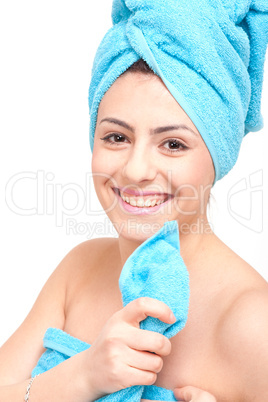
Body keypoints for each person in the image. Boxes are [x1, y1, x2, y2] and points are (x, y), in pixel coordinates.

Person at [0, 1, 267, 401]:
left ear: (217, 157)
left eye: (173, 144)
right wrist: (81, 377)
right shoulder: (80, 269)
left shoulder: (253, 323)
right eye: (116, 137)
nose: (136, 169)